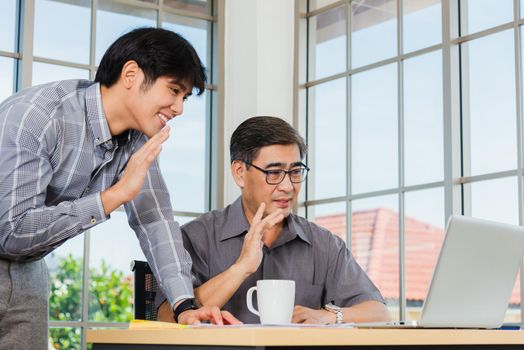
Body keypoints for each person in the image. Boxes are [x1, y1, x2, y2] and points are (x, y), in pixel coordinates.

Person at [0, 27, 238, 350]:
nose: (179, 108)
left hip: (28, 271)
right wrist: (113, 197)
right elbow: (11, 230)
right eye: (174, 90)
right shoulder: (38, 118)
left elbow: (155, 221)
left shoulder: (138, 141)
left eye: (184, 97)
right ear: (130, 74)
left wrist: (184, 305)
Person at [157, 116, 390, 324]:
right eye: (274, 173)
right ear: (240, 172)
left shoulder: (325, 245)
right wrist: (241, 269)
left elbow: (379, 313)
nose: (288, 186)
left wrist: (329, 316)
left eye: (296, 172)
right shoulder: (196, 237)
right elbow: (166, 317)